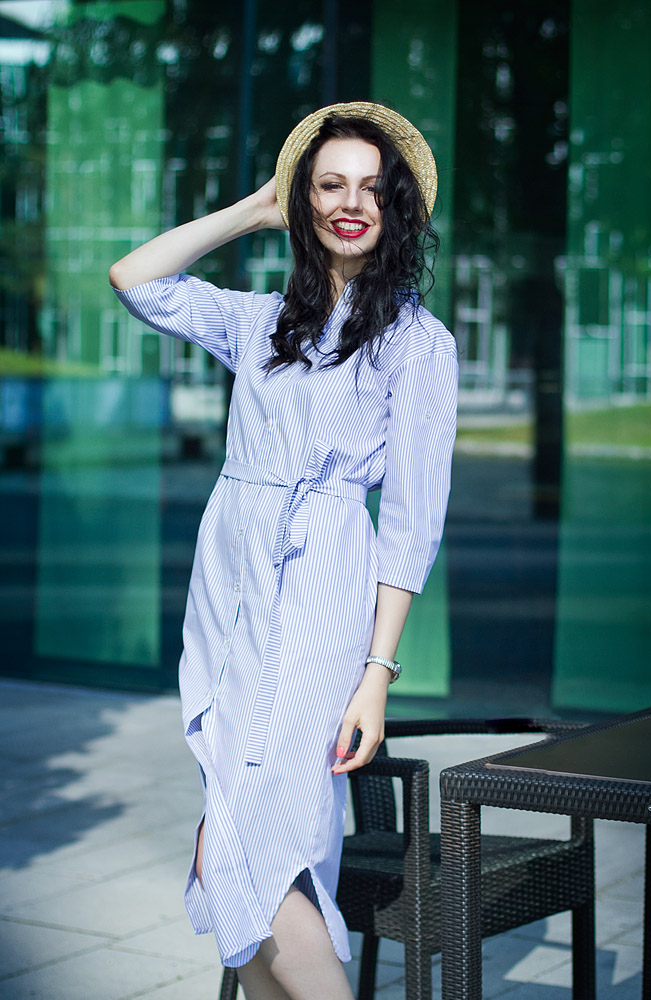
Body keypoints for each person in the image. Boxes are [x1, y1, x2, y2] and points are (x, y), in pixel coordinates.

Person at [110, 102, 457, 1000]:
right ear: (303, 201)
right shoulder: (261, 320)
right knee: (234, 828)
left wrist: (377, 673)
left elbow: (412, 523)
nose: (352, 204)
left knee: (263, 833)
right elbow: (133, 278)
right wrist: (249, 211)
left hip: (320, 590)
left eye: (374, 190)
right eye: (330, 185)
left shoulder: (420, 345)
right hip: (227, 583)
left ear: (399, 209)